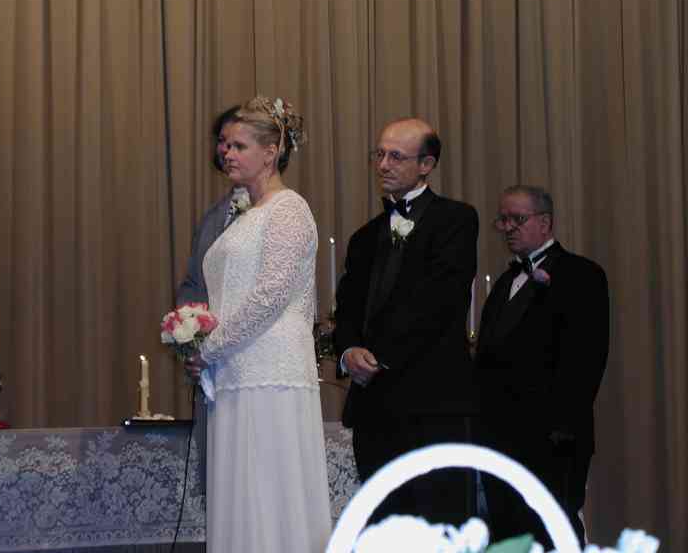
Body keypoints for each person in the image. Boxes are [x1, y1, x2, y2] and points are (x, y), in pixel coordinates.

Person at [184, 96, 331, 552]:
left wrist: (209, 348)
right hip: (237, 373)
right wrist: (202, 342)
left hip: (271, 374)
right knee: (242, 493)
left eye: (238, 145)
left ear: (271, 152)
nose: (226, 153)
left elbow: (270, 296)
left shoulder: (289, 209)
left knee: (270, 488)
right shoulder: (244, 215)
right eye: (225, 145)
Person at [334, 118, 479, 525]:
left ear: (426, 164)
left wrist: (378, 356)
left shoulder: (456, 220)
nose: (383, 164)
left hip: (433, 403)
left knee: (441, 524)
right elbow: (347, 307)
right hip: (374, 409)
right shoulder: (364, 237)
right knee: (384, 524)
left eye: (396, 156)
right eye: (379, 154)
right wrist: (348, 351)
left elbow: (439, 303)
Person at [475, 185, 609, 548]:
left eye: (517, 219)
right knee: (508, 537)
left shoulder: (582, 274)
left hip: (551, 441)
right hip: (498, 440)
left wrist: (560, 431)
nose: (508, 228)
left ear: (545, 223)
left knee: (553, 532)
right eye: (503, 220)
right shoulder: (504, 283)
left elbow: (586, 360)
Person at [176, 104, 247, 306]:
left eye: (237, 144)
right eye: (222, 141)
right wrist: (188, 318)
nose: (225, 150)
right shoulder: (212, 216)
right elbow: (193, 282)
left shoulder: (276, 209)